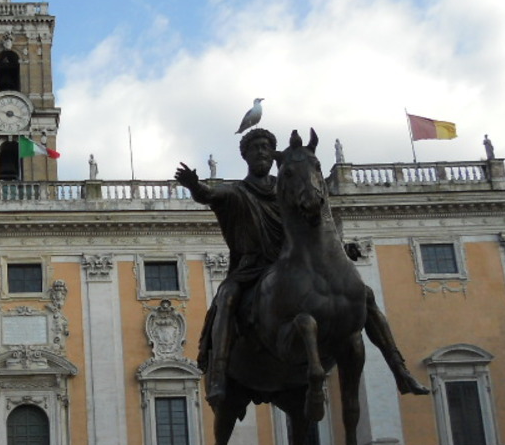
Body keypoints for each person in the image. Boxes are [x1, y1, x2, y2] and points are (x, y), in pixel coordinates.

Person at [175, 128, 428, 409]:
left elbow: (315, 232)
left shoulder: (292, 188)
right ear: (245, 156)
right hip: (253, 269)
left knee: (365, 296)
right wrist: (194, 185)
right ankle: (219, 374)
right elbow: (209, 195)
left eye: (265, 147)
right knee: (227, 297)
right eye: (254, 148)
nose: (260, 152)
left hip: (297, 264)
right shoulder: (237, 192)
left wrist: (343, 250)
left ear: (273, 157)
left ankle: (399, 368)